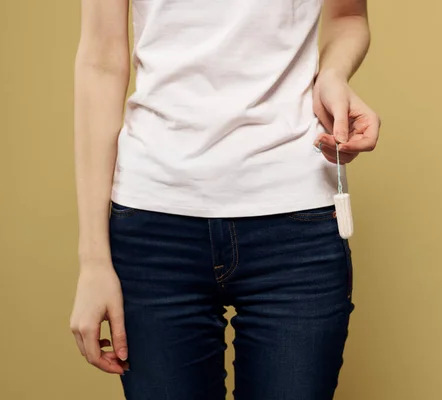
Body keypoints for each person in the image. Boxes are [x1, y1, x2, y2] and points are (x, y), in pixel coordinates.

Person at [69, 0, 380, 398]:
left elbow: (348, 18)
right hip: (154, 230)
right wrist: (93, 262)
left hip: (295, 225)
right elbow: (100, 58)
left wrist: (333, 75)